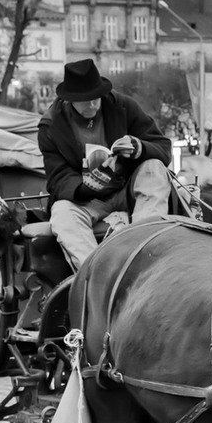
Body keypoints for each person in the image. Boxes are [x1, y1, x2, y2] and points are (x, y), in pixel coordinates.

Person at [38, 59, 172, 270]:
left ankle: (143, 255)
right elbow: (57, 176)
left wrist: (139, 148)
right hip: (86, 199)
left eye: (95, 98)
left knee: (154, 167)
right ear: (70, 99)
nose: (91, 104)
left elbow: (162, 147)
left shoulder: (124, 106)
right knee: (61, 211)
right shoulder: (51, 126)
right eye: (84, 100)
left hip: (126, 190)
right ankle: (96, 275)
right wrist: (83, 188)